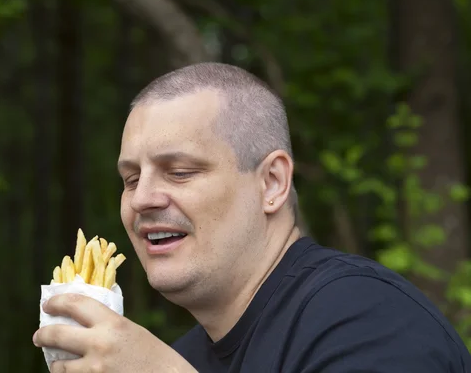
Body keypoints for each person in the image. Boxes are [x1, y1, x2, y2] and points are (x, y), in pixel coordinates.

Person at [33, 62, 471, 372]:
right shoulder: (182, 356)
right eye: (130, 179)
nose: (142, 198)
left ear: (272, 183)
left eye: (180, 172)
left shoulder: (365, 319)